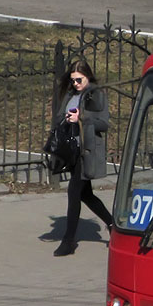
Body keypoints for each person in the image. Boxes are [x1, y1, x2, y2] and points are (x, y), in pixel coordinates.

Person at [54, 61, 112, 256]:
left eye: (79, 80)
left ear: (88, 76)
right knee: (85, 194)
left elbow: (103, 123)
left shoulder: (96, 95)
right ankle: (113, 224)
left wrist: (81, 118)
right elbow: (60, 116)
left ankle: (69, 241)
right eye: (73, 80)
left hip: (85, 151)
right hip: (71, 150)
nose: (76, 84)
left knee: (73, 192)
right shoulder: (71, 94)